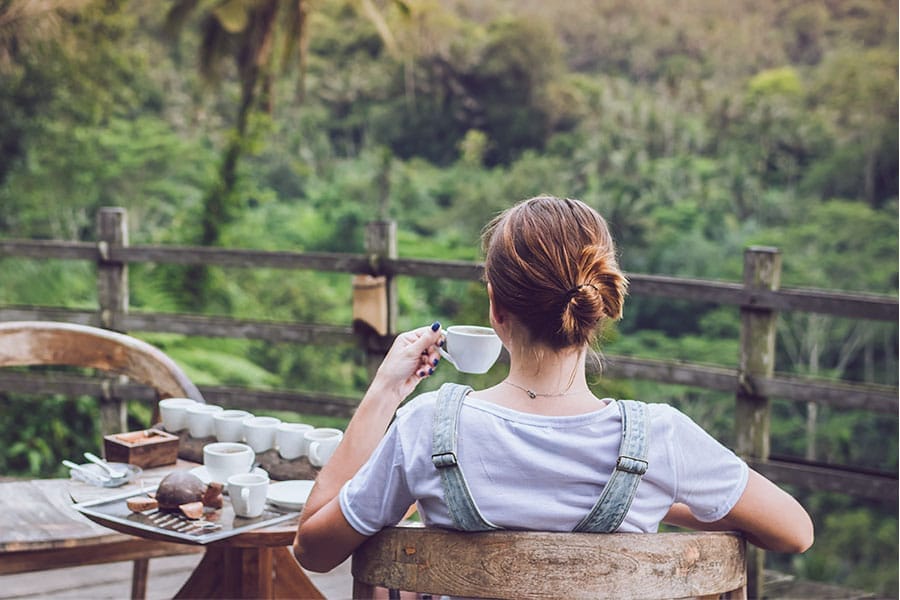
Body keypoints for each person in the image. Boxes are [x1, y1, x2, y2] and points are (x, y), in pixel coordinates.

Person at [294, 195, 813, 573]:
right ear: (601, 305)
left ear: (496, 309)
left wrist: (385, 389)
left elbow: (312, 548)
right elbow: (795, 532)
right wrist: (656, 496)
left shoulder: (425, 429)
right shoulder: (663, 442)